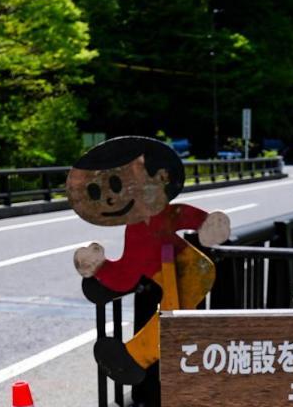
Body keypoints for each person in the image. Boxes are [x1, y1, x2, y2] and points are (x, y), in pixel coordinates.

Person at [67, 136, 230, 384]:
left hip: (190, 272)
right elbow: (131, 268)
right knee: (170, 317)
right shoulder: (136, 229)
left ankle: (137, 358)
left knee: (171, 318)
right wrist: (103, 271)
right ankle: (136, 357)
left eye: (119, 184)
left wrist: (207, 225)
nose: (112, 198)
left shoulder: (163, 216)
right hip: (165, 273)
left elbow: (185, 216)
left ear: (162, 177)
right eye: (98, 190)